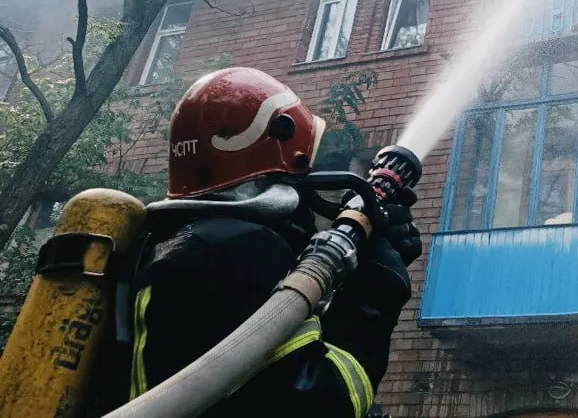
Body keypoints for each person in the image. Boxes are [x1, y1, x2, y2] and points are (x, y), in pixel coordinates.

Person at [126, 67, 422, 418]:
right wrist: (374, 295)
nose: (308, 177)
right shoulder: (236, 250)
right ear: (279, 165)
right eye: (303, 165)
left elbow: (258, 382)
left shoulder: (180, 245)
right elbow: (315, 404)